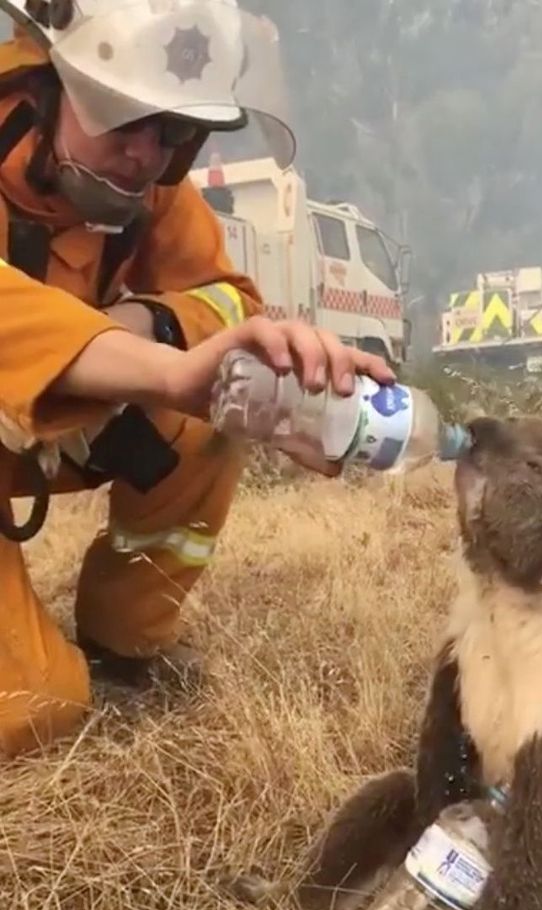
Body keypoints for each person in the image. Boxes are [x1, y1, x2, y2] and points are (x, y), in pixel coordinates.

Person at [0, 0, 395, 757]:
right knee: (34, 711)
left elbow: (228, 298)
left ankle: (123, 652)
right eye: (130, 119)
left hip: (33, 431)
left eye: (177, 131)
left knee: (220, 411)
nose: (148, 155)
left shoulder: (152, 190)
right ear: (57, 83)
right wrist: (168, 372)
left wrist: (147, 336)